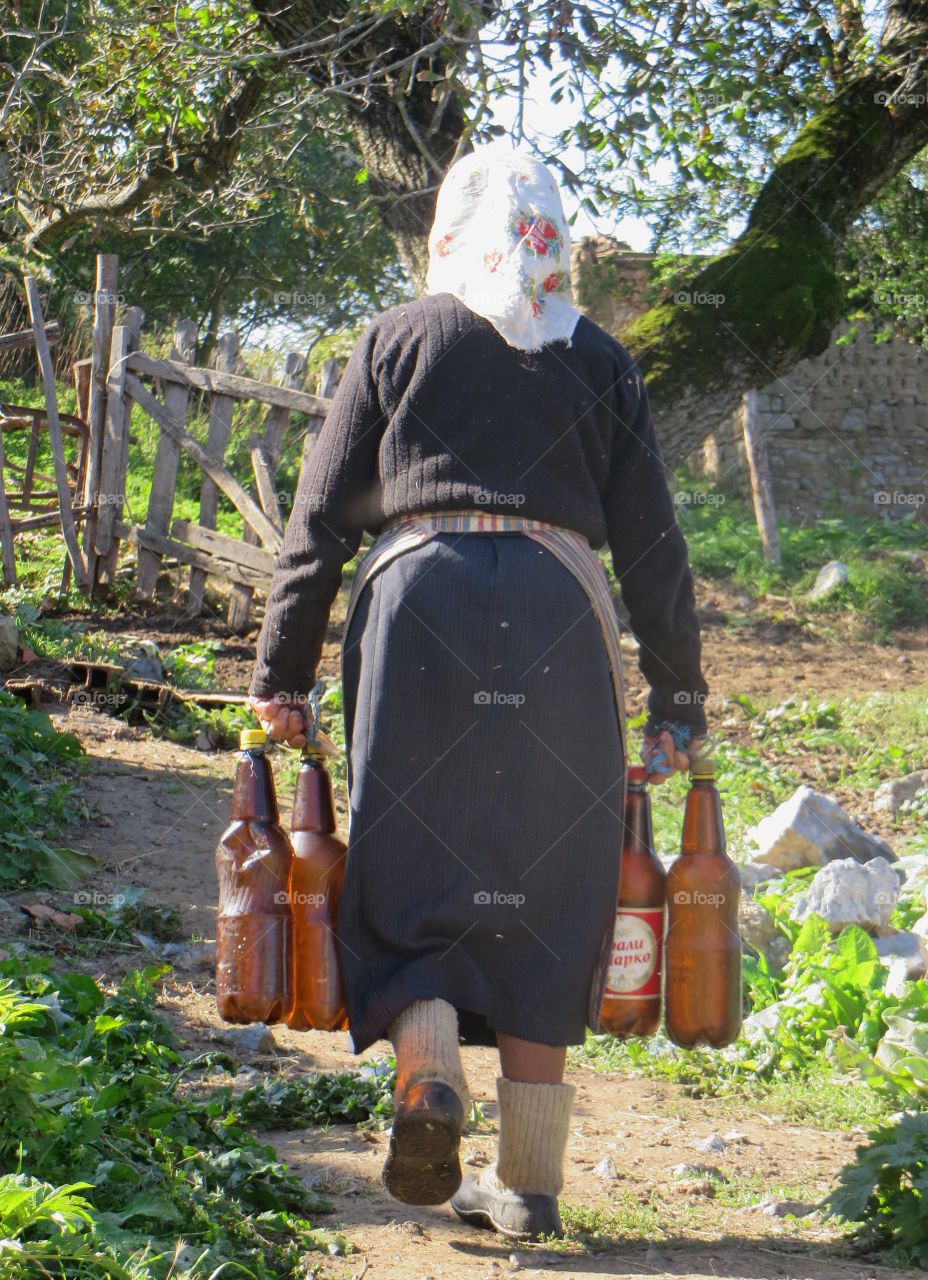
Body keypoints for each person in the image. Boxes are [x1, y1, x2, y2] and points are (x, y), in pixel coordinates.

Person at [248, 146, 709, 1240]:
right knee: (546, 883)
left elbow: (317, 523)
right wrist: (679, 695)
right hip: (560, 614)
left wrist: (281, 676)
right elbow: (653, 546)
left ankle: (432, 1082)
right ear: (554, 238)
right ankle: (531, 1183)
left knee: (411, 867)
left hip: (418, 609)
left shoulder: (397, 339)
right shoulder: (600, 360)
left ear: (451, 231)